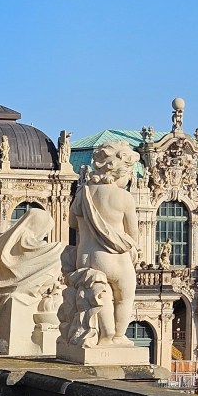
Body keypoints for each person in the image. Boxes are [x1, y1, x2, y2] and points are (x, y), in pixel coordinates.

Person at [68, 140, 140, 345]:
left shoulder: (83, 193)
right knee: (124, 295)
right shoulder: (124, 197)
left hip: (85, 256)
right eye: (129, 172)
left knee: (100, 293)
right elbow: (133, 234)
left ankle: (104, 334)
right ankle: (118, 336)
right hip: (113, 258)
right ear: (119, 172)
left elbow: (72, 223)